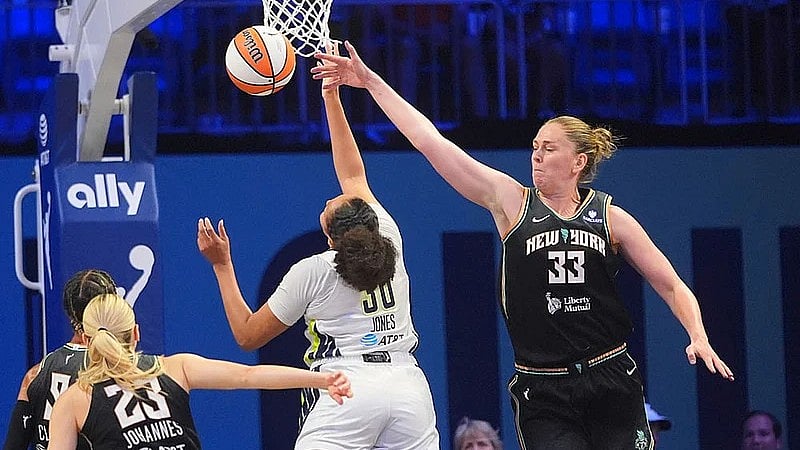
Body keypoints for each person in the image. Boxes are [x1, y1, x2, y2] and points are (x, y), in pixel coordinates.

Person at [312, 41, 734, 450]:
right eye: (534, 147)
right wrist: (369, 82)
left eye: (548, 149)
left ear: (578, 163)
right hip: (543, 386)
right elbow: (430, 141)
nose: (536, 156)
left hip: (608, 376)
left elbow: (672, 285)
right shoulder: (511, 202)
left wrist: (697, 334)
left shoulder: (610, 217)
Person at [196, 44, 439, 449]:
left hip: (347, 386)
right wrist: (331, 97)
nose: (335, 195)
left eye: (333, 205)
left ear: (332, 238)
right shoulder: (389, 234)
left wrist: (222, 265)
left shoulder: (315, 271)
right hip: (408, 387)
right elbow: (352, 172)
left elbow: (247, 335)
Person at [47, 293, 351, 449]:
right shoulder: (175, 368)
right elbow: (249, 376)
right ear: (136, 333)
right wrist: (321, 378)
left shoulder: (74, 399)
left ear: (86, 341)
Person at [3, 268, 118, 450]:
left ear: (68, 311)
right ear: (112, 308)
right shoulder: (114, 370)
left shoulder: (34, 375)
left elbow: (13, 446)